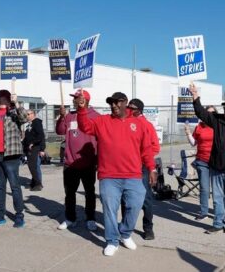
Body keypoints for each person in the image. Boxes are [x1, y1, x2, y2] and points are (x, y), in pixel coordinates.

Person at [77, 91, 156, 256]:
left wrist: (152, 168)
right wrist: (82, 109)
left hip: (133, 175)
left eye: (116, 102)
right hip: (109, 176)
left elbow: (147, 149)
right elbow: (85, 126)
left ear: (125, 103)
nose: (113, 105)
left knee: (135, 205)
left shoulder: (139, 124)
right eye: (111, 103)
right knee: (110, 209)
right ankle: (112, 240)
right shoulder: (102, 121)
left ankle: (125, 233)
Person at [55, 89, 99, 231]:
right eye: (73, 98)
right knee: (70, 194)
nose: (73, 101)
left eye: (76, 98)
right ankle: (70, 218)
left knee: (90, 193)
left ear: (84, 100)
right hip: (70, 163)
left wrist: (98, 159)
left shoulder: (96, 116)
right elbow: (60, 131)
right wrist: (61, 118)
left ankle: (90, 218)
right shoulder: (69, 116)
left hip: (88, 163)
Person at [0, 89, 27, 228]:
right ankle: (0, 215)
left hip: (11, 156)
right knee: (0, 187)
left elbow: (25, 118)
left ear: (6, 99)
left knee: (14, 186)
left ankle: (19, 215)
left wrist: (17, 103)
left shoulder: (14, 112)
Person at [189, 83, 225, 234]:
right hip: (217, 167)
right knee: (217, 197)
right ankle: (217, 223)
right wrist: (195, 95)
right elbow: (201, 113)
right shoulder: (218, 121)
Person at [126, 98, 160, 240]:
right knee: (125, 198)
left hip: (142, 167)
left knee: (146, 198)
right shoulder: (124, 123)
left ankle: (148, 228)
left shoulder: (146, 125)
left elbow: (155, 147)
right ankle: (125, 225)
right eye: (127, 106)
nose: (128, 109)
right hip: (126, 166)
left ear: (138, 110)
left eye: (131, 108)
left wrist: (141, 157)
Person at [185, 105, 216, 221]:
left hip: (217, 163)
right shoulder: (199, 127)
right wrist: (188, 133)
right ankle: (204, 212)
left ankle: (220, 214)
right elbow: (194, 143)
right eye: (208, 113)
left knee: (219, 190)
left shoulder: (219, 125)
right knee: (204, 188)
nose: (210, 115)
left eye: (213, 113)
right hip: (202, 161)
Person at [22, 109, 46, 191]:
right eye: (27, 114)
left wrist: (35, 144)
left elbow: (41, 135)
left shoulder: (37, 122)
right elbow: (28, 137)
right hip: (29, 148)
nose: (27, 116)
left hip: (35, 147)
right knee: (31, 166)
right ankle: (34, 182)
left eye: (29, 114)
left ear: (34, 114)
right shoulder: (30, 124)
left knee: (33, 166)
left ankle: (38, 183)